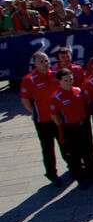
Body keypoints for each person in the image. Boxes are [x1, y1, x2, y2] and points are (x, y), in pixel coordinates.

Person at [50, 68, 93, 188]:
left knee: (88, 151)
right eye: (66, 80)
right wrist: (63, 126)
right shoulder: (56, 97)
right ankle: (81, 179)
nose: (69, 82)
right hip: (70, 129)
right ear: (59, 81)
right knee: (75, 155)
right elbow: (54, 115)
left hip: (83, 126)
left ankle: (92, 174)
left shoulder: (78, 91)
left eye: (70, 79)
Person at [21, 51, 61, 182]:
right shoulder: (29, 79)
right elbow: (25, 100)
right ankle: (51, 173)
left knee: (65, 144)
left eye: (46, 61)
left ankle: (73, 167)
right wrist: (35, 112)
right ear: (35, 64)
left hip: (58, 118)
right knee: (48, 148)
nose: (45, 64)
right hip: (42, 121)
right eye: (41, 62)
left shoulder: (56, 74)